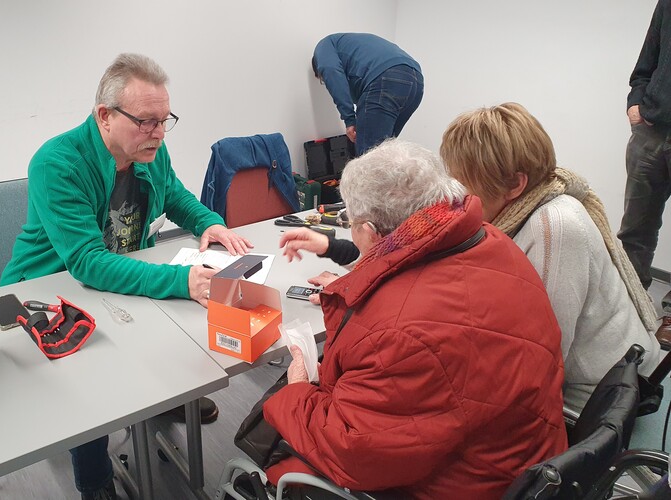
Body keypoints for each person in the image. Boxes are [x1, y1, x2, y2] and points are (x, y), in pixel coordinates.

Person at [1, 53, 252, 500]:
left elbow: (174, 194)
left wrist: (208, 222)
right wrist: (182, 281)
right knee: (90, 380)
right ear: (105, 117)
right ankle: (95, 482)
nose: (157, 132)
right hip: (49, 290)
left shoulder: (149, 148)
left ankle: (164, 399)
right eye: (145, 121)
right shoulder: (57, 163)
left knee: (167, 331)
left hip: (117, 275)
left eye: (164, 120)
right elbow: (86, 262)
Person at [265, 139, 567, 498]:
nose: (350, 229)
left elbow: (352, 453)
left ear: (373, 233)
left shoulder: (398, 336)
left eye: (351, 221)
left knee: (276, 448)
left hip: (464, 485)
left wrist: (296, 391)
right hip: (526, 458)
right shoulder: (495, 243)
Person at [440, 102, 661, 413]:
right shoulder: (533, 204)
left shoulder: (555, 227)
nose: (459, 197)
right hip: (600, 372)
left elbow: (542, 355)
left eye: (466, 183)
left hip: (600, 391)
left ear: (515, 184)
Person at [617, 0, 671, 346]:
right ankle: (627, 308)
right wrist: (635, 103)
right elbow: (645, 65)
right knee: (635, 229)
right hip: (650, 134)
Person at [312, 33, 423, 156]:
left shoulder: (323, 47)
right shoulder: (350, 46)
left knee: (368, 158)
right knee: (384, 153)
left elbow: (332, 74)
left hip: (386, 77)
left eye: (323, 80)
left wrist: (349, 119)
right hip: (416, 80)